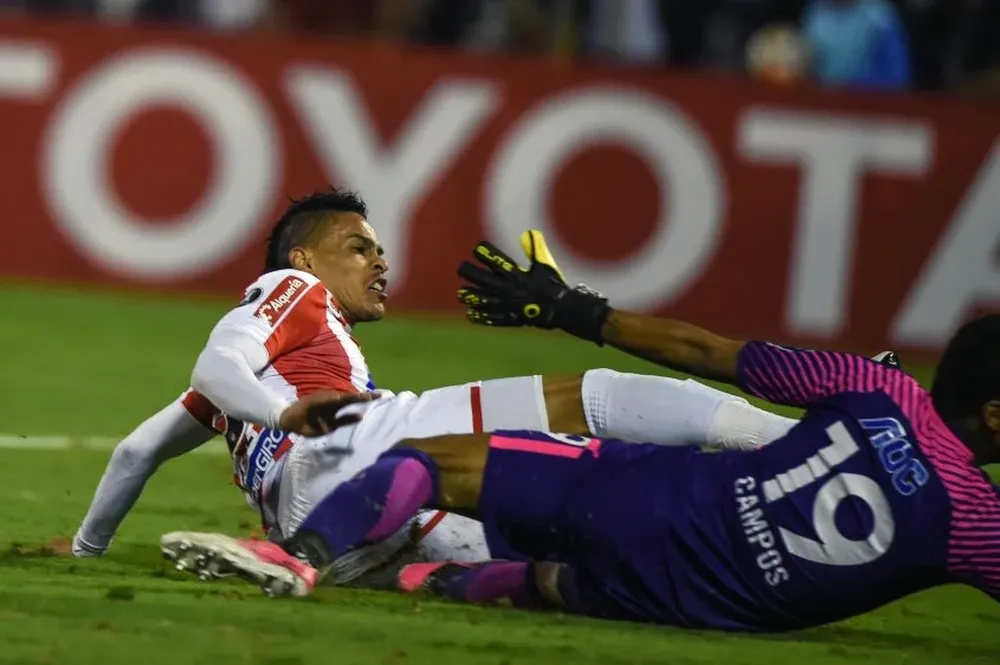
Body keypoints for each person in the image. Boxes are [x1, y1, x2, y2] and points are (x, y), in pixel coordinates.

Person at [74, 190, 797, 587]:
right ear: (303, 257)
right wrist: (285, 410)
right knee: (596, 399)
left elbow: (138, 452)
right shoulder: (293, 291)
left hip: (336, 529)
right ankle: (793, 442)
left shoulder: (257, 384)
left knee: (567, 553)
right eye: (358, 246)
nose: (379, 261)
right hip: (347, 450)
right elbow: (215, 362)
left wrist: (86, 551)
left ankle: (765, 546)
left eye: (381, 248)